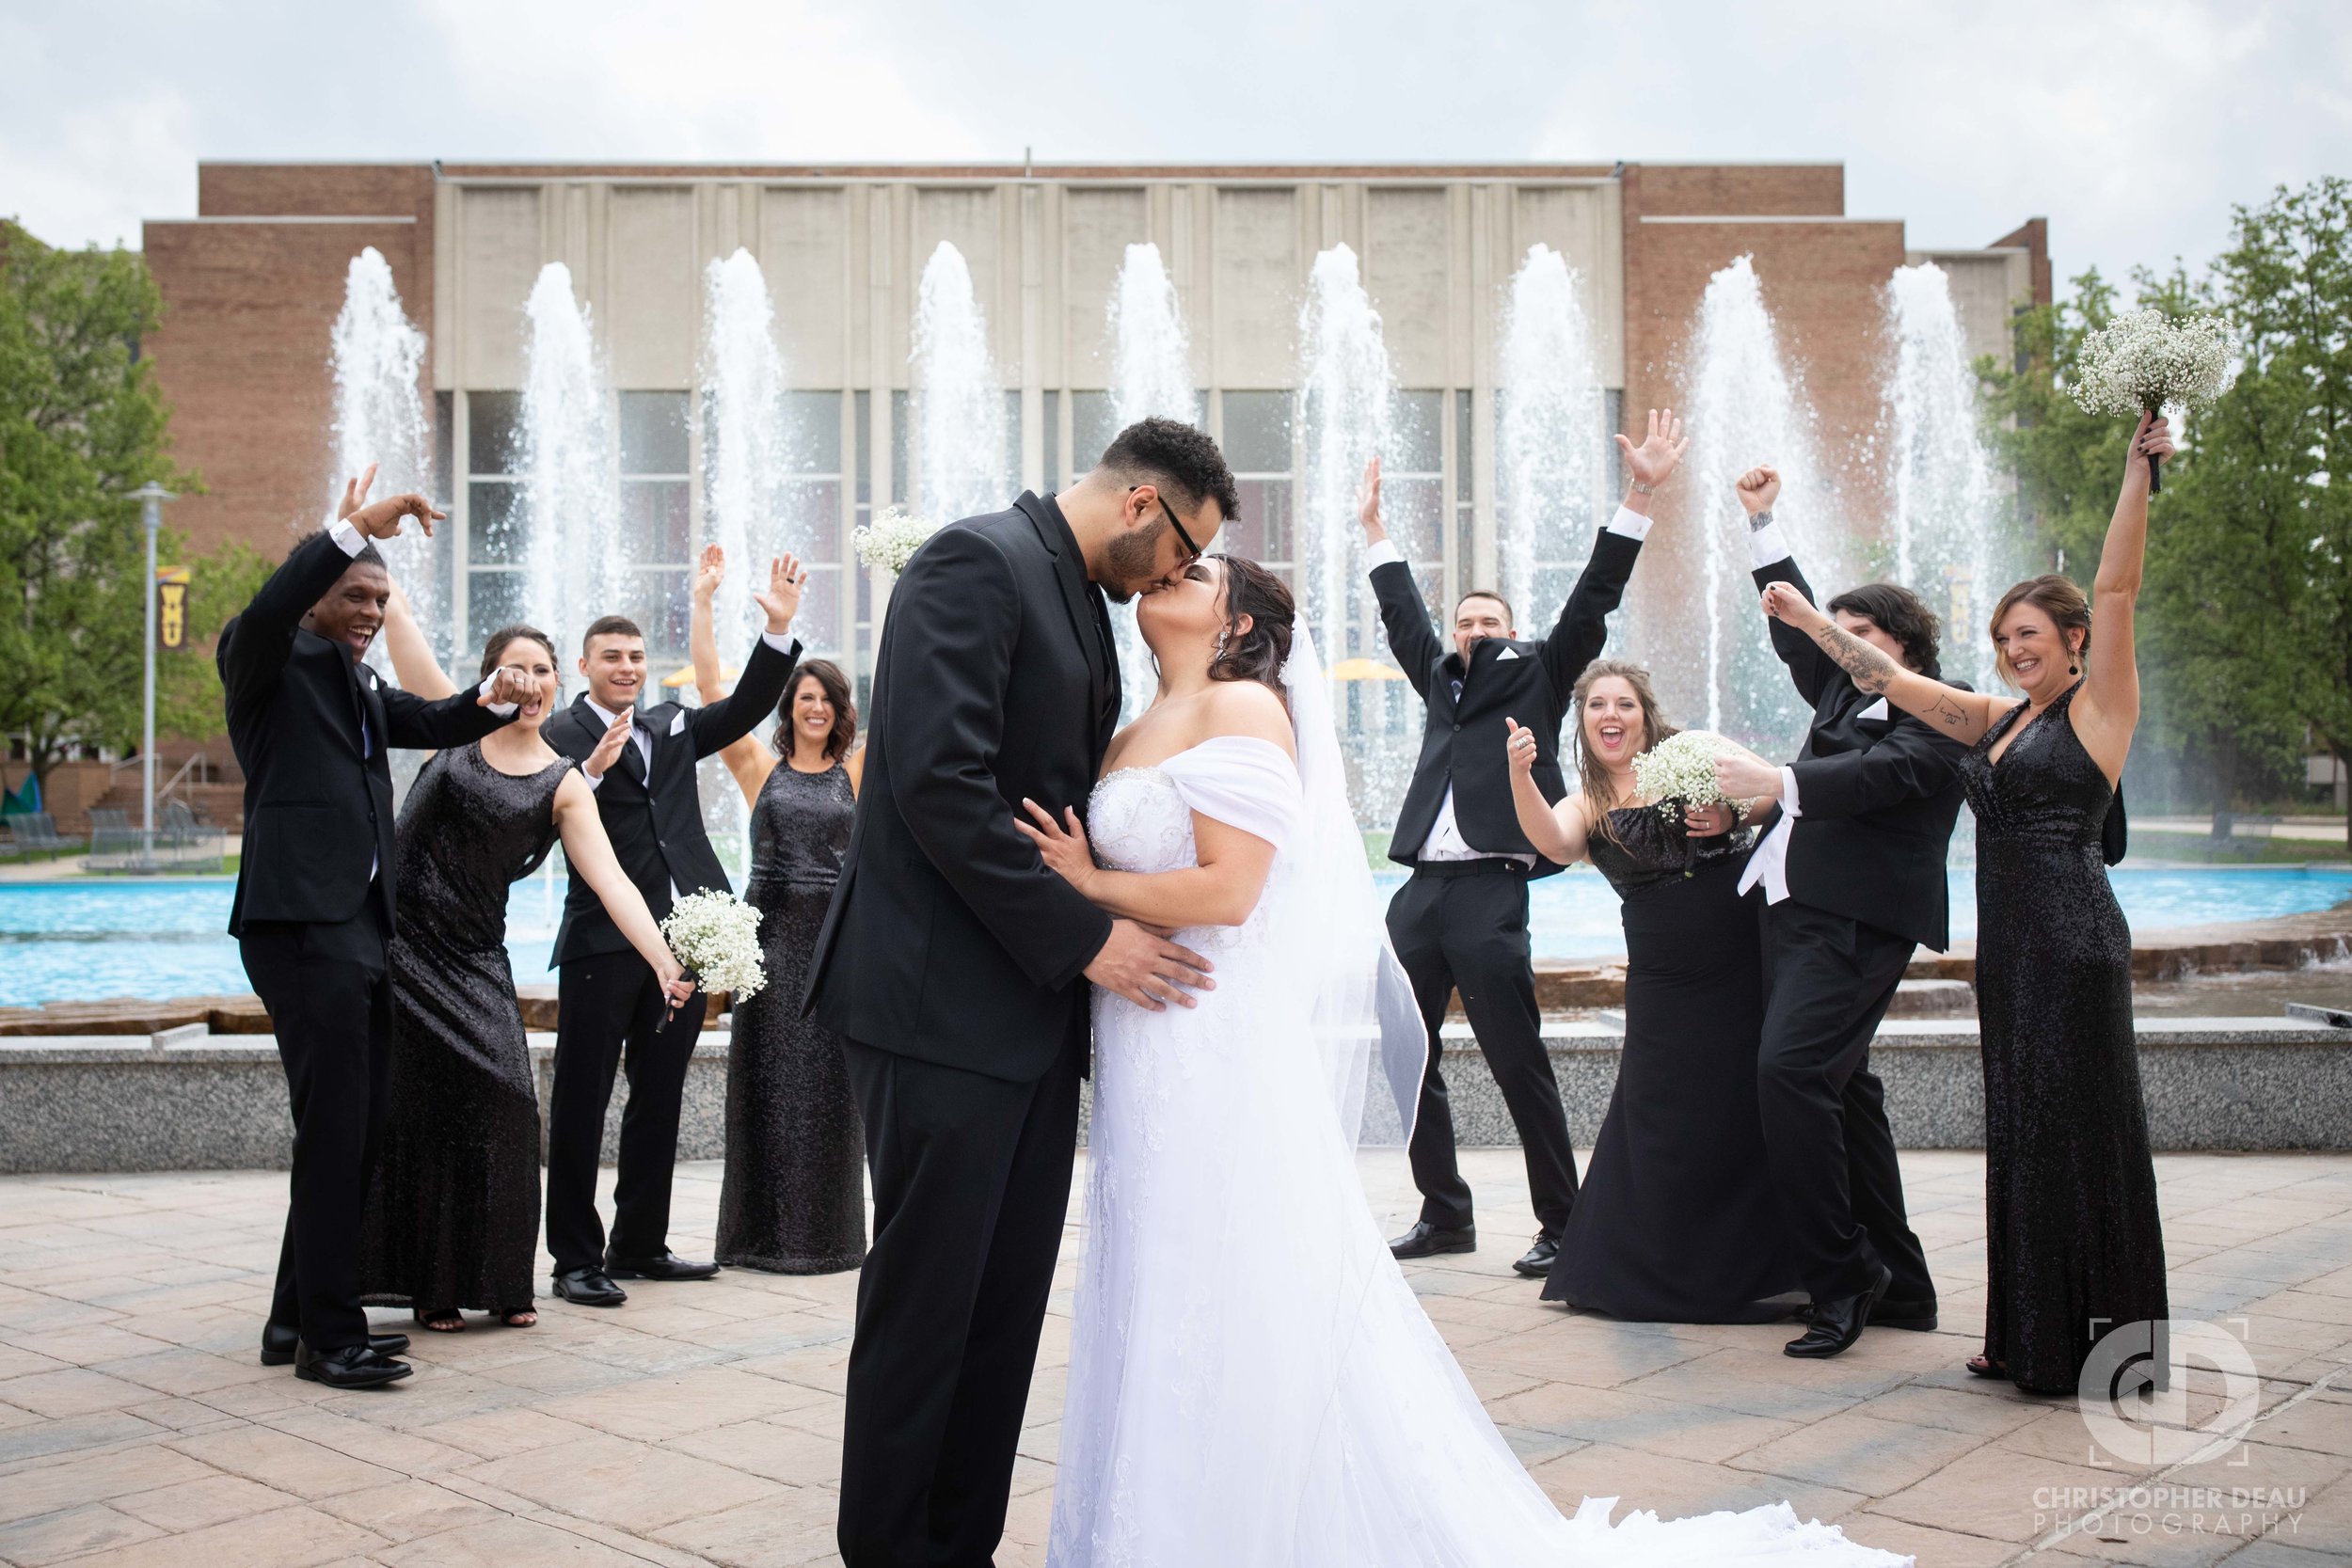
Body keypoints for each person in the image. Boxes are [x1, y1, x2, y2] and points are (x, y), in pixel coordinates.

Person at [1020, 553, 1905, 1567]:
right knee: (1153, 1257)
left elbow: (1231, 893)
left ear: (1239, 621)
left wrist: (1090, 883)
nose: (1168, 573)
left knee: (1235, 1248)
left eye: (1197, 568)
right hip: (1148, 1031)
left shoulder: (1249, 711)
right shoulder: (1133, 725)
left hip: (1217, 1018)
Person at [804, 417, 1232, 1568]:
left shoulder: (1076, 597)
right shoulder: (974, 561)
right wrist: (1087, 938)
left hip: (1030, 1015)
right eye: (1187, 549)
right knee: (928, 1306)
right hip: (937, 1006)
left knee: (999, 1315)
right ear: (1144, 502)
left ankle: (961, 1546)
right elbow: (934, 783)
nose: (1183, 576)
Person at [1758, 414, 2172, 1394]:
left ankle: (2104, 1343)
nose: (2010, 650)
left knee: (2078, 1131)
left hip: (2072, 942)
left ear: (2073, 641)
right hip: (2011, 950)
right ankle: (2030, 1331)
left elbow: (2115, 586)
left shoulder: (2099, 706)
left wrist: (2136, 477)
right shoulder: (1995, 719)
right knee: (2021, 1133)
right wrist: (1810, 619)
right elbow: (1887, 678)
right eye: (1999, 638)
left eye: (2027, 634)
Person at [1365, 407, 1689, 1280]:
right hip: (1419, 892)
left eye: (1488, 621)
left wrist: (1638, 498)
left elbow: (1593, 600)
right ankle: (1445, 1212)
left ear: (1511, 632)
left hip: (1490, 888)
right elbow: (1402, 615)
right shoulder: (1438, 679)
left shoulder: (1542, 672)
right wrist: (1374, 536)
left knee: (1517, 1060)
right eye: (1464, 621)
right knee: (1404, 1049)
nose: (1473, 630)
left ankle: (1563, 1219)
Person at [220, 474, 527, 1388]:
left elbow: (432, 718)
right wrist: (352, 527)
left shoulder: (354, 682)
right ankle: (331, 1336)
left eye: (381, 600)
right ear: (315, 590)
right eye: (356, 594)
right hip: (302, 926)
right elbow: (273, 602)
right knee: (337, 1132)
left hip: (355, 932)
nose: (370, 611)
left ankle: (295, 1318)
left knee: (349, 1130)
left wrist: (496, 696)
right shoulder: (264, 658)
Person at [359, 587, 694, 1333]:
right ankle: (433, 1286)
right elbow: (404, 626)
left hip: (476, 954)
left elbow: (612, 881)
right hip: (403, 949)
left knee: (511, 1101)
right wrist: (367, 551)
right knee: (420, 1111)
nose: (533, 680)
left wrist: (665, 962)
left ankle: (504, 1280)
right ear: (493, 679)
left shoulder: (566, 782)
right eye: (518, 667)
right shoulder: (454, 729)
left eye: (544, 669)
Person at [1708, 463, 1962, 1359]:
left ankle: (1842, 1272)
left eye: (1859, 635)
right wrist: (1763, 522)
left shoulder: (1943, 710)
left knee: (1790, 1075)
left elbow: (1885, 776)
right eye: (1839, 633)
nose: (1840, 647)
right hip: (1794, 909)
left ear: (1903, 644)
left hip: (1857, 921)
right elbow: (1800, 632)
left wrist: (1777, 782)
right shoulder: (1841, 690)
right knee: (1845, 1091)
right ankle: (1907, 1285)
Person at [539, 556, 805, 1308]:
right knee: (582, 1101)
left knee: (659, 1095)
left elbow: (751, 702)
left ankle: (639, 1242)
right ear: (584, 665)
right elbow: (535, 819)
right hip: (600, 943)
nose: (626, 667)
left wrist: (776, 626)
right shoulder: (558, 734)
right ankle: (575, 1258)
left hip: (686, 941)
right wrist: (588, 770)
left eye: (635, 657)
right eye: (611, 657)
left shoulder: (674, 723)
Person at [1502, 662, 1802, 1323]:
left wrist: (1728, 810)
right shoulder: (1588, 798)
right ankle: (1659, 1264)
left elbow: (1775, 793)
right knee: (1660, 1109)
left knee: (1743, 1102)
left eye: (1625, 704)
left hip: (1742, 954)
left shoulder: (1692, 751)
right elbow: (1551, 840)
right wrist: (1521, 775)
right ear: (1582, 721)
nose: (1612, 715)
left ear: (1645, 713)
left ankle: (1764, 1263)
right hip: (1664, 976)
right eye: (1598, 705)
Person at [715, 655, 869, 1273]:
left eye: (826, 698)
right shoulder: (759, 768)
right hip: (770, 950)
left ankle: (829, 1241)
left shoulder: (856, 770)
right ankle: (758, 1240)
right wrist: (703, 602)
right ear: (790, 707)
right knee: (766, 1088)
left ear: (839, 710)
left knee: (832, 1094)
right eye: (805, 697)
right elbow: (712, 688)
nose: (815, 707)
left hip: (833, 949)